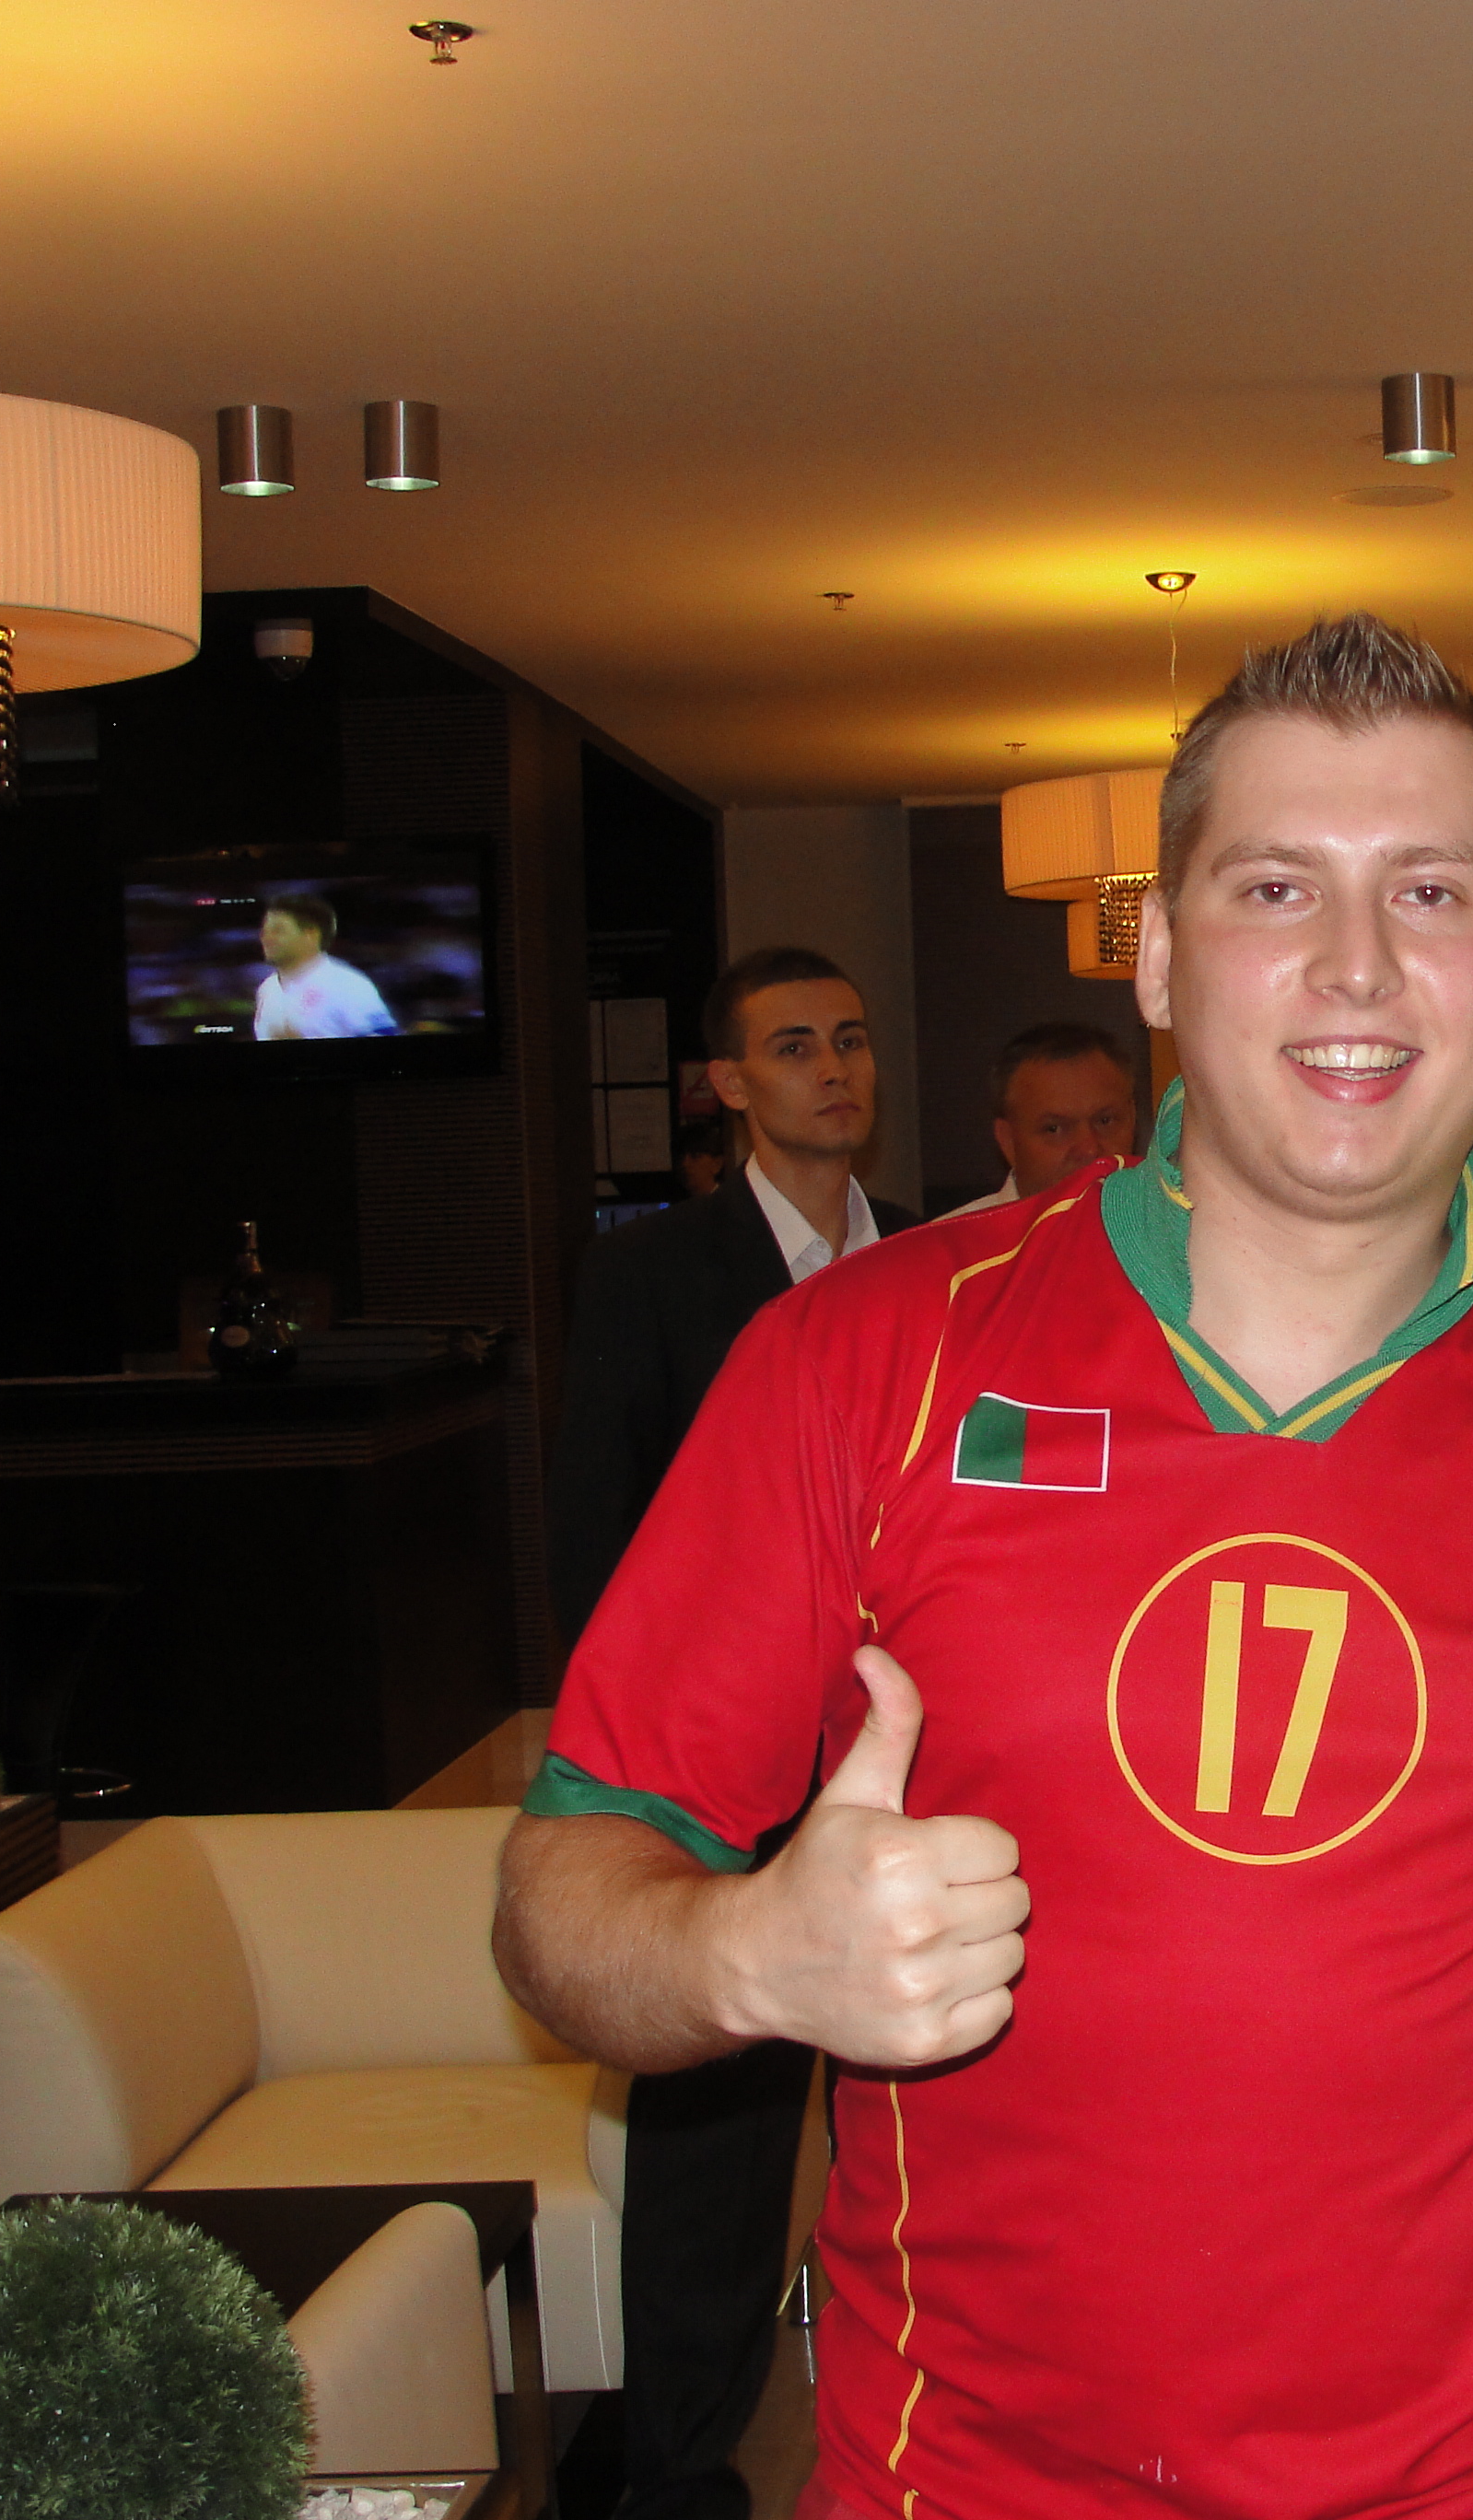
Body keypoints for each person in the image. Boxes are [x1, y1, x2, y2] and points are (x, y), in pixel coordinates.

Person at [497, 616, 1473, 2520]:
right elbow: (558, 1898)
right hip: (969, 2482)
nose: (1356, 964)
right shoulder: (867, 1359)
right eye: (1274, 888)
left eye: (1431, 891)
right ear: (1161, 956)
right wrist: (743, 1950)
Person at [544, 942, 918, 2520]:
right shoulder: (653, 1275)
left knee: (942, 2106)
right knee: (717, 2135)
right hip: (728, 1757)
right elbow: (600, 1527)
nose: (832, 1069)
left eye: (851, 1040)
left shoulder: (941, 1261)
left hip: (918, 1748)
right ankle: (679, 2465)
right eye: (794, 1046)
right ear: (727, 1083)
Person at [946, 1019, 1139, 1213]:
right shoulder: (960, 1232)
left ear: (1132, 1120)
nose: (1089, 1149)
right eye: (1054, 1129)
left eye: (1105, 1121)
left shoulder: (1158, 1227)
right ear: (1008, 1141)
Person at [251, 892, 398, 1039]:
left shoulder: (348, 985)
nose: (266, 938)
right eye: (265, 931)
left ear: (311, 934)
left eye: (278, 930)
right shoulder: (267, 988)